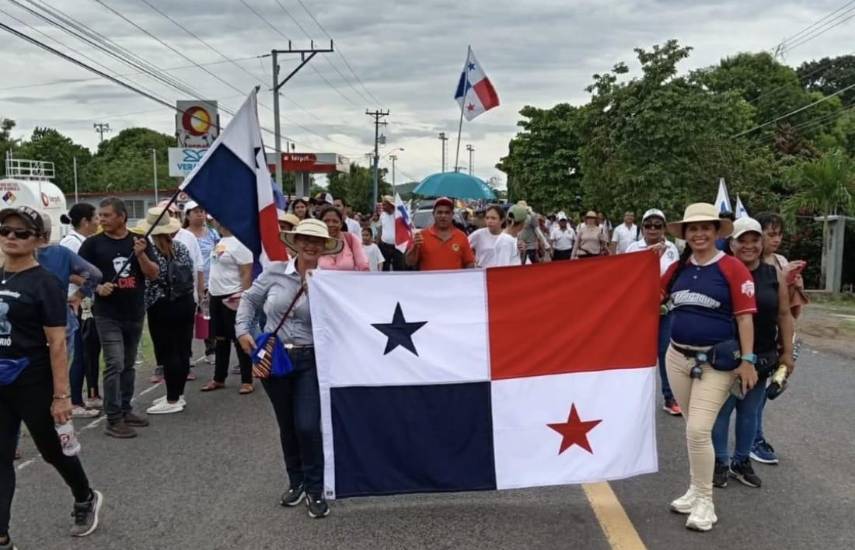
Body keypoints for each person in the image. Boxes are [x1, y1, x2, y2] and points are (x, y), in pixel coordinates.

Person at [0, 206, 103, 545]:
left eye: (21, 232)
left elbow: (57, 342)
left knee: (51, 450)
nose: (11, 237)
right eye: (5, 230)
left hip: (34, 380)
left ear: (38, 240)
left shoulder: (44, 282)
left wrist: (61, 397)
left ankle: (84, 495)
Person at [236, 219, 343, 519]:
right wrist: (243, 330)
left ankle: (315, 488)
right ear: (295, 242)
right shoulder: (273, 273)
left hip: (313, 360)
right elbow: (249, 300)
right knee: (287, 425)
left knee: (308, 426)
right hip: (275, 357)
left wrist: (317, 292)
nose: (310, 245)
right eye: (305, 239)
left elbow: (340, 320)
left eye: (317, 241)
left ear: (324, 247)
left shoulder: (331, 280)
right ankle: (295, 481)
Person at [660, 202, 758, 532]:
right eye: (693, 228)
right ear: (685, 234)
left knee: (699, 430)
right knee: (693, 429)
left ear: (716, 232)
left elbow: (745, 318)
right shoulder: (678, 269)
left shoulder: (732, 268)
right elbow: (648, 295)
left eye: (706, 228)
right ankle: (693, 489)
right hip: (676, 358)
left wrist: (748, 360)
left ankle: (706, 501)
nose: (699, 233)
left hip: (716, 362)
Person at [712, 217, 795, 489]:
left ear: (762, 242)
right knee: (722, 412)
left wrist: (787, 353)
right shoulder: (721, 271)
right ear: (731, 243)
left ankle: (741, 461)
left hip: (762, 356)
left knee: (749, 412)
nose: (749, 246)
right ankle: (720, 462)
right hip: (726, 357)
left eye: (754, 240)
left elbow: (784, 314)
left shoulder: (774, 275)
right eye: (742, 241)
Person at [78, 197, 158, 439]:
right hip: (107, 314)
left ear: (122, 216)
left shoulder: (140, 240)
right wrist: (96, 287)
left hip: (134, 311)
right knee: (114, 363)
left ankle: (125, 408)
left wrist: (141, 255)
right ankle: (113, 418)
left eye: (107, 215)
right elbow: (76, 274)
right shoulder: (92, 245)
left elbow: (153, 274)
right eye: (100, 215)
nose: (101, 219)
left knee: (128, 364)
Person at [749, 212, 806, 466]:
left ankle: (753, 438)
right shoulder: (749, 261)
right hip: (753, 337)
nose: (776, 239)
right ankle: (751, 440)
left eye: (779, 234)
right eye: (770, 234)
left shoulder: (781, 260)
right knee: (750, 395)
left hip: (776, 336)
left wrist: (794, 283)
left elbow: (788, 310)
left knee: (766, 391)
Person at [36, 215, 103, 419]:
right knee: (57, 371)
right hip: (58, 319)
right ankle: (59, 414)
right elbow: (95, 275)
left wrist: (78, 295)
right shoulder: (60, 252)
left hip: (28, 325)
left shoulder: (9, 256)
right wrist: (79, 294)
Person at [137, 209, 197, 415]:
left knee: (168, 351)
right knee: (181, 349)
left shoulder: (151, 252)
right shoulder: (180, 247)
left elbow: (153, 275)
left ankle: (172, 398)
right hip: (185, 301)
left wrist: (141, 256)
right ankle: (177, 393)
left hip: (162, 304)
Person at [626, 209, 682, 416]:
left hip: (665, 310)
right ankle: (635, 399)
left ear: (664, 228)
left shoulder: (672, 249)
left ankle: (670, 397)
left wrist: (667, 300)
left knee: (665, 353)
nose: (652, 229)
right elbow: (625, 278)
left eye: (657, 225)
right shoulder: (633, 248)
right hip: (638, 311)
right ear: (642, 228)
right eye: (648, 225)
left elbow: (674, 277)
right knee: (637, 356)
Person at [200, 221, 254, 395]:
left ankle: (247, 380)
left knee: (239, 339)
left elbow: (246, 274)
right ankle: (219, 378)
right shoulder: (220, 241)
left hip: (233, 297)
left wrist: (244, 299)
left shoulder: (241, 244)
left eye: (219, 219)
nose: (216, 222)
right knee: (220, 339)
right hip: (216, 296)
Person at [153, 201, 204, 384]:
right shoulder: (149, 245)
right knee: (164, 340)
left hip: (182, 296)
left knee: (180, 339)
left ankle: (177, 384)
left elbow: (197, 266)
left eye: (173, 214)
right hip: (158, 302)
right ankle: (167, 372)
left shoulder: (185, 240)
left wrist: (199, 292)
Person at [60, 203, 102, 410]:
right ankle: (75, 400)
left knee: (90, 352)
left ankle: (92, 394)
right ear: (85, 221)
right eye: (96, 218)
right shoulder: (71, 243)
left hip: (87, 302)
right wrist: (93, 285)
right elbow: (68, 272)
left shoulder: (84, 241)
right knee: (81, 352)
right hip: (75, 303)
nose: (98, 222)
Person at [184, 201, 220, 365]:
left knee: (208, 316)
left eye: (202, 211)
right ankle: (187, 353)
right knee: (188, 318)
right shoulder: (182, 235)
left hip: (210, 281)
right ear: (187, 215)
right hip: (188, 282)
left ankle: (211, 350)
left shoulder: (212, 234)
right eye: (195, 211)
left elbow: (220, 252)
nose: (200, 214)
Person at [406, 197, 475, 270]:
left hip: (454, 281)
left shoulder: (461, 236)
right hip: (429, 281)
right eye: (439, 212)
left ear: (452, 215)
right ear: (433, 214)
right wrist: (415, 247)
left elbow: (469, 263)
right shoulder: (421, 236)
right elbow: (410, 262)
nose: (443, 216)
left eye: (447, 212)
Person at [317, 207, 369, 271]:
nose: (330, 224)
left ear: (341, 224)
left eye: (335, 221)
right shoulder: (315, 242)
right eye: (326, 221)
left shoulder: (351, 239)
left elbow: (363, 266)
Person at [377, 195, 405, 272]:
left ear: (390, 204)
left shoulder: (399, 214)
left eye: (384, 204)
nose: (382, 206)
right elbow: (380, 229)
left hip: (397, 247)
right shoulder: (382, 215)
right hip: (384, 246)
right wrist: (378, 242)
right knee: (384, 268)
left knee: (398, 268)